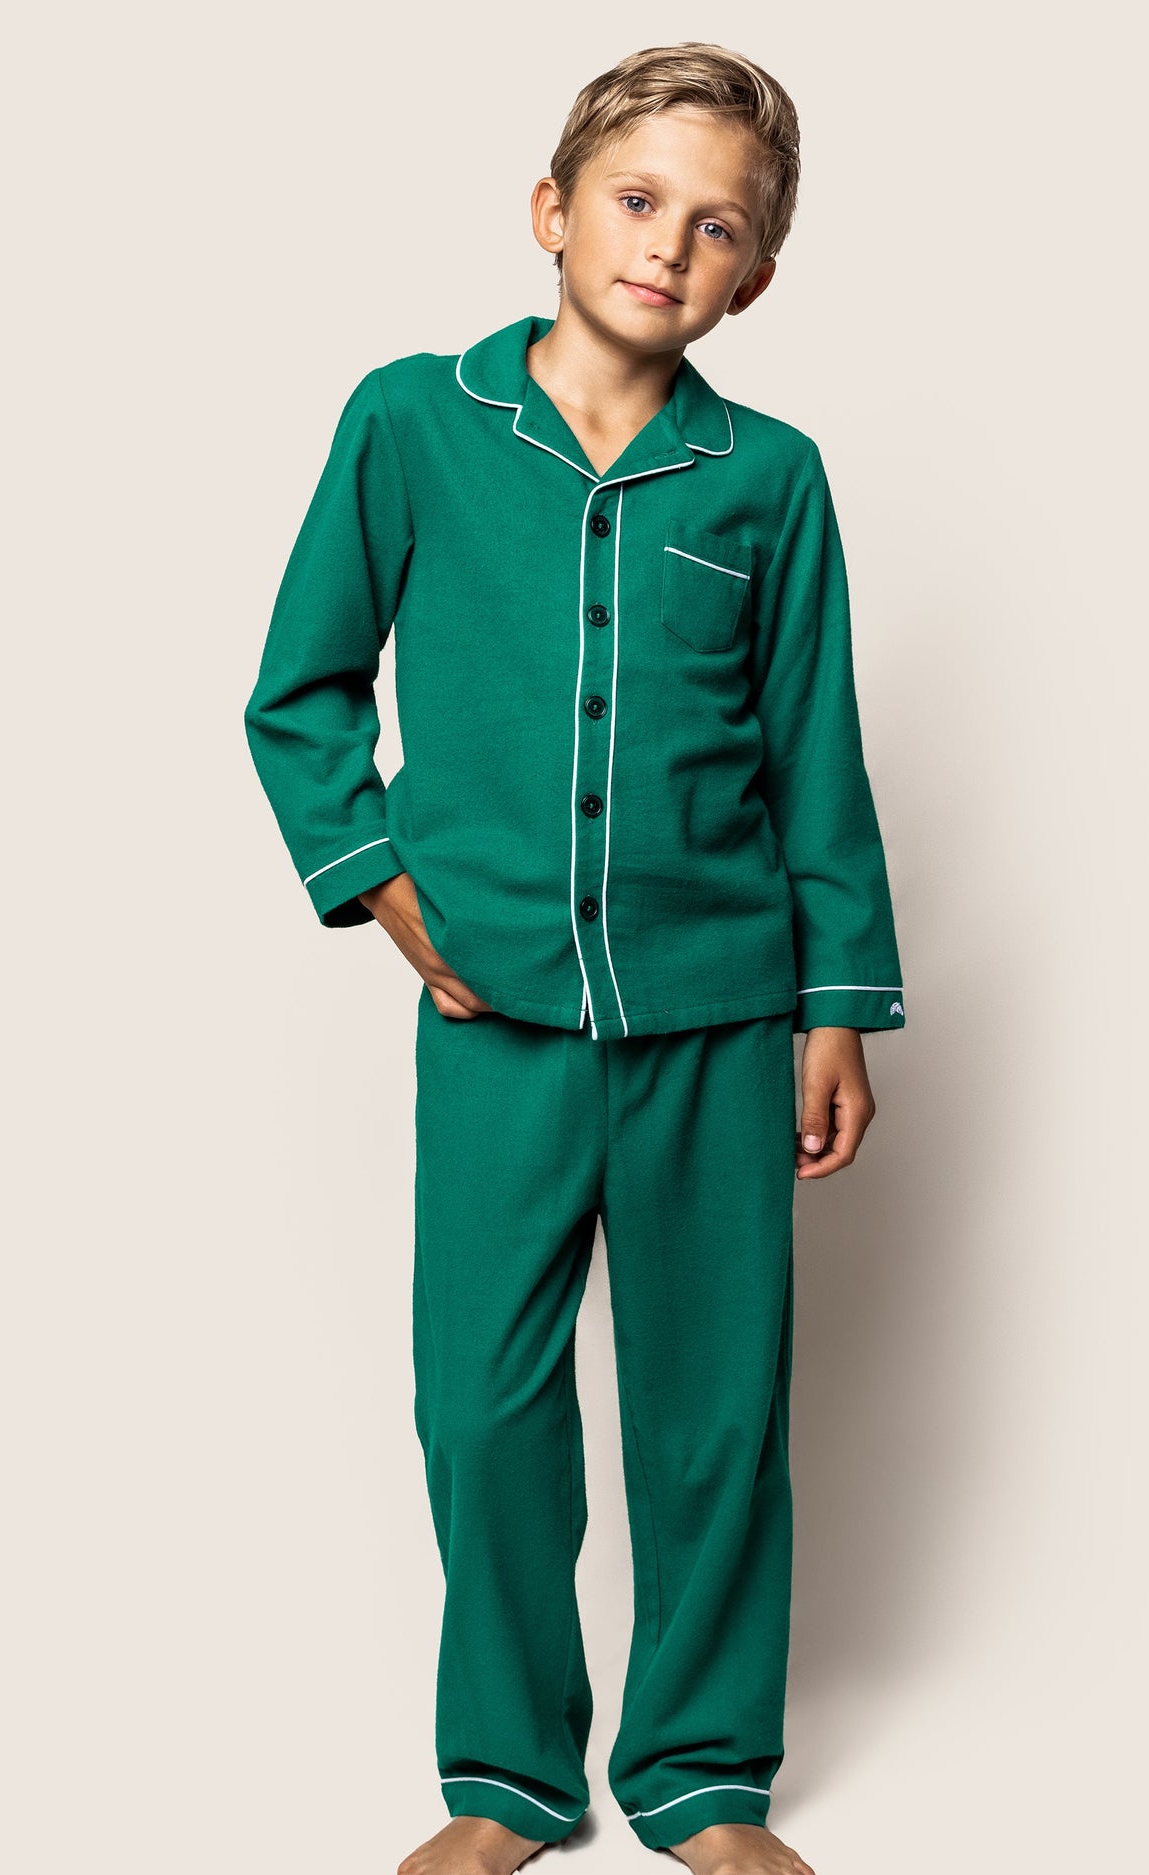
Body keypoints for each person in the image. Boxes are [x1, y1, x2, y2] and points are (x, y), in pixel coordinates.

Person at [243, 40, 905, 1875]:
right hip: (499, 1015)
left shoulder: (770, 481)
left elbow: (816, 758)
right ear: (551, 212)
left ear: (754, 276)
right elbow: (301, 690)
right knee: (484, 1400)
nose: (669, 244)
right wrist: (379, 883)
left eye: (719, 226)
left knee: (713, 1414)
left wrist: (839, 1007)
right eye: (636, 199)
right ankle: (507, 1781)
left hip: (721, 1011)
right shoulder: (410, 422)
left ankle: (703, 1777)